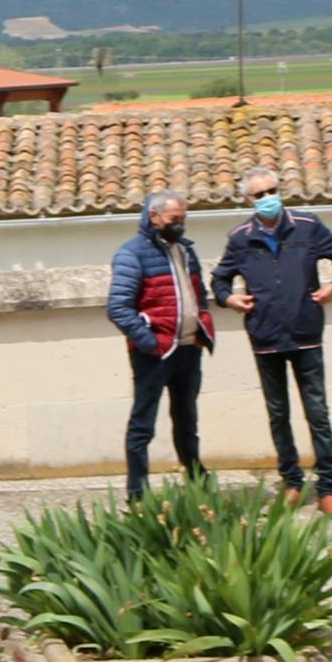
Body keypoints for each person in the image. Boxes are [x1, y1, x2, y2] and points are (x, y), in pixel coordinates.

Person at [212, 168, 332, 515]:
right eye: (259, 194)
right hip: (266, 337)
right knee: (278, 414)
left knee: (317, 413)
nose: (267, 198)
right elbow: (219, 280)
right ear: (248, 200)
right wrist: (230, 299)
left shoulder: (307, 226)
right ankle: (292, 482)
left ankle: (327, 488)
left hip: (306, 333)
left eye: (272, 190)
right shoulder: (240, 239)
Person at [105, 192, 215, 500]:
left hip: (188, 350)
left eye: (183, 219)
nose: (180, 225)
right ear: (154, 217)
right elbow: (118, 308)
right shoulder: (132, 254)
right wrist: (150, 342)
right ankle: (137, 494)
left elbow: (199, 294)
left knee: (187, 423)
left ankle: (197, 486)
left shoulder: (186, 252)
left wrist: (201, 329)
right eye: (174, 219)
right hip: (154, 355)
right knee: (143, 425)